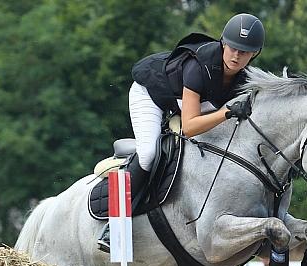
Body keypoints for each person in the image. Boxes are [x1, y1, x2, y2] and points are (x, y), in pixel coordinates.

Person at [99, 13, 265, 251]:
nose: (236, 56)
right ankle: (114, 225)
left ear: (255, 53)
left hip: (184, 102)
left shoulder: (246, 78)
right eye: (233, 48)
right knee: (148, 153)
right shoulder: (199, 66)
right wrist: (227, 113)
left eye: (245, 52)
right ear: (223, 43)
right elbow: (189, 126)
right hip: (150, 94)